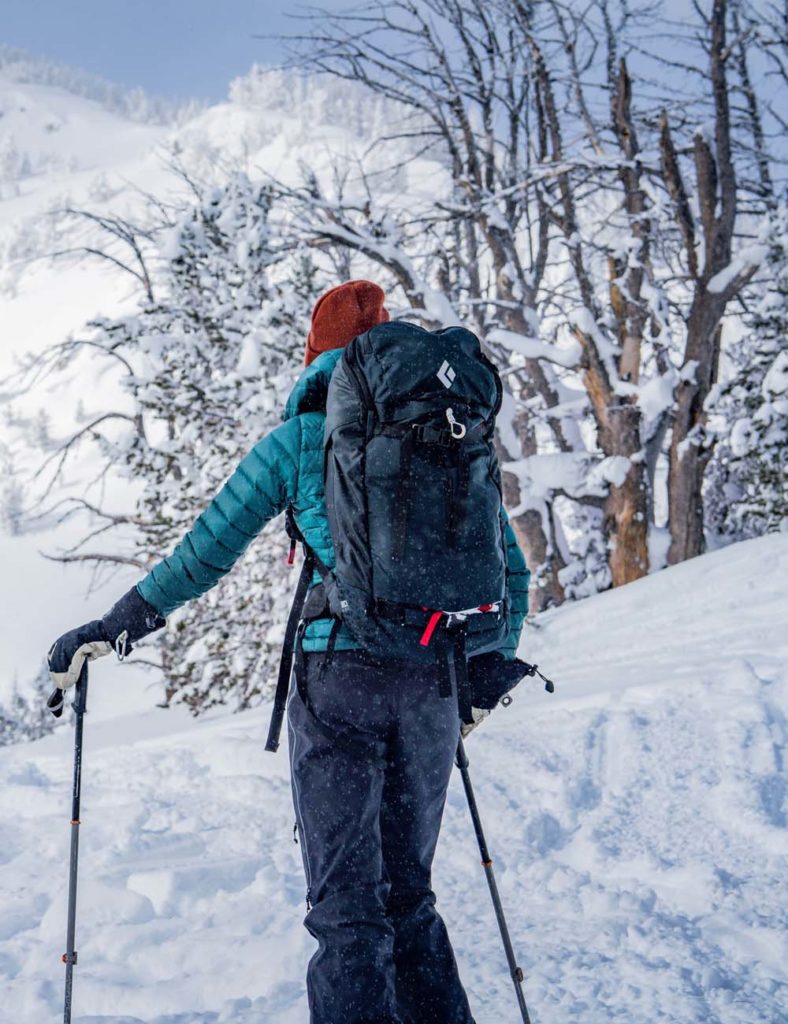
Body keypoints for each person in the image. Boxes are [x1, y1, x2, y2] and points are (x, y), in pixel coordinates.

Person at [47, 279, 530, 1024]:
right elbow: (513, 573)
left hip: (337, 680)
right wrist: (476, 683)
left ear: (316, 362)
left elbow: (205, 552)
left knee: (348, 914)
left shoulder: (302, 439)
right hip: (431, 682)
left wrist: (114, 625)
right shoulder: (447, 431)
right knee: (411, 898)